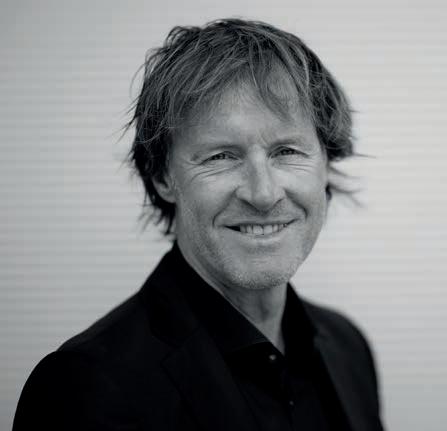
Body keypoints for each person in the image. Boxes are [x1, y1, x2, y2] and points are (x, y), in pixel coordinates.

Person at [13, 18, 384, 431]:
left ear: (326, 163)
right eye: (221, 156)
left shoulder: (348, 347)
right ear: (162, 177)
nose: (263, 193)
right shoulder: (82, 389)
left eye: (287, 151)